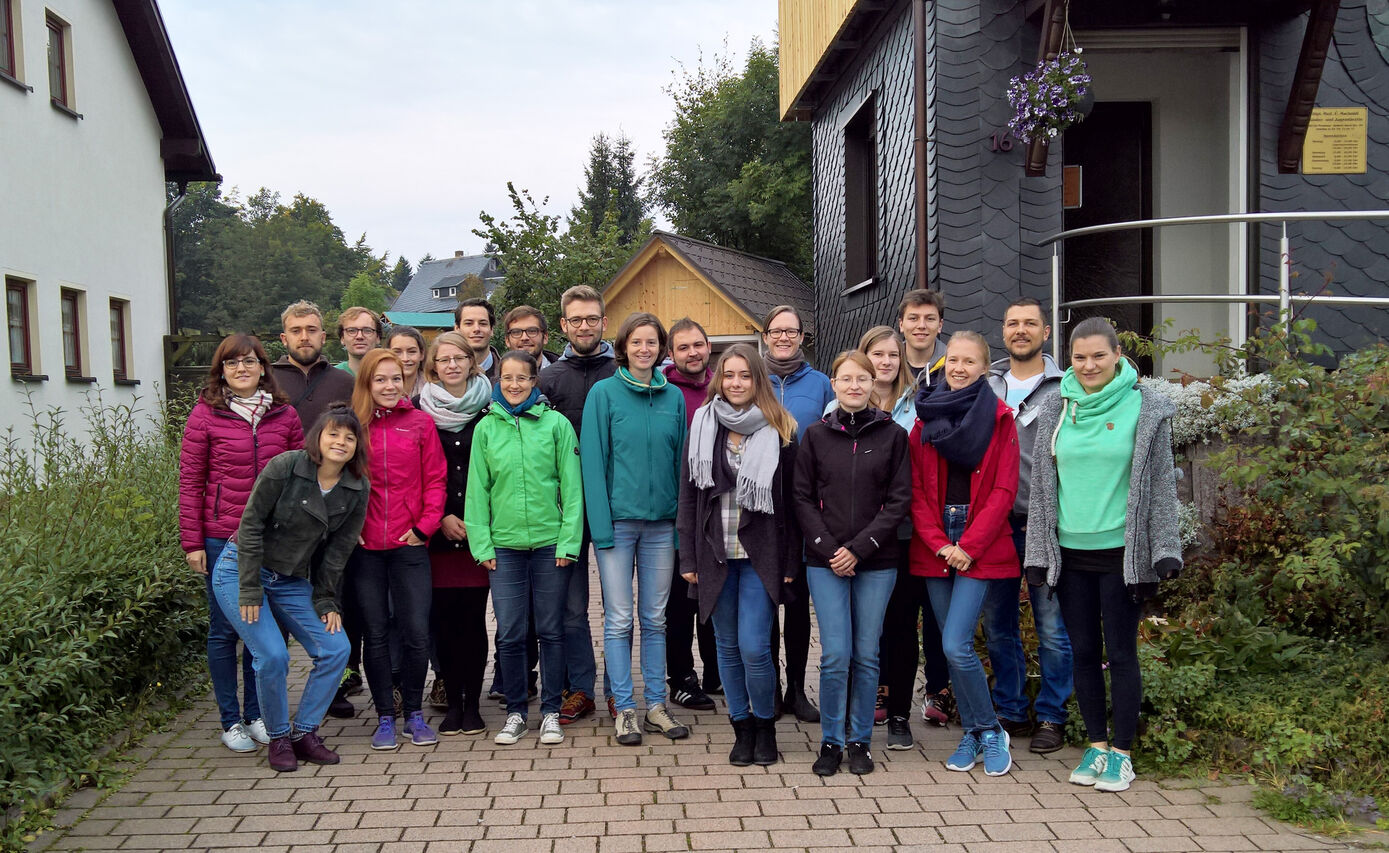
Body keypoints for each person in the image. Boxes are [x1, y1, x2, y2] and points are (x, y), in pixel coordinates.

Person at [1024, 317, 1183, 793]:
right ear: (1068, 359)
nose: (1089, 365)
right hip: (1070, 554)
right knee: (1084, 652)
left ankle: (1123, 753)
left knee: (1121, 652)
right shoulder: (1056, 407)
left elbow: (1160, 487)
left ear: (1117, 355)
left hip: (1122, 554)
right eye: (1079, 356)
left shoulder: (1147, 406)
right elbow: (1042, 488)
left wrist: (1165, 550)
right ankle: (1095, 745)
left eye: (1098, 355)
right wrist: (1037, 553)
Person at [210, 405, 368, 772]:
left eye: (349, 437)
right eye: (333, 434)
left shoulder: (356, 487)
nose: (340, 442)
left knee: (335, 648)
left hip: (291, 580)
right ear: (318, 437)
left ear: (357, 445)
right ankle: (279, 737)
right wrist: (249, 589)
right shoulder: (285, 466)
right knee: (273, 655)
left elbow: (338, 551)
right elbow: (249, 526)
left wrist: (326, 598)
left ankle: (304, 733)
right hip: (241, 570)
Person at [179, 334, 304, 753]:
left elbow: (300, 477)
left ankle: (258, 715)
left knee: (264, 631)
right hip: (221, 537)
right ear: (222, 371)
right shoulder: (204, 416)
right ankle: (231, 720)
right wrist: (192, 542)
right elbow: (191, 482)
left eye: (249, 361)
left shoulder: (284, 415)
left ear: (263, 367)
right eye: (232, 363)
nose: (242, 369)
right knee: (224, 630)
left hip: (272, 540)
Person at [677, 344, 800, 767]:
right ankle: (741, 727)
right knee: (726, 646)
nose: (736, 383)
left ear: (757, 380)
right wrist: (687, 560)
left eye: (745, 375)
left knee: (754, 646)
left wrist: (789, 563)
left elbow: (792, 504)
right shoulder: (703, 424)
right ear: (719, 379)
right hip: (715, 555)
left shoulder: (781, 428)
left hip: (761, 556)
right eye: (729, 375)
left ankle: (765, 726)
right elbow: (689, 497)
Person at [793, 350, 911, 777]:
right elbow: (802, 498)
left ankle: (860, 740)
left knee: (866, 654)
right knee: (836, 654)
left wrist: (859, 548)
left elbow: (898, 501)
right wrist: (829, 548)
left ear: (872, 383)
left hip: (877, 560)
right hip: (824, 562)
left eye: (863, 379)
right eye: (847, 379)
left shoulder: (893, 435)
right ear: (835, 385)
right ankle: (831, 740)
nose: (855, 386)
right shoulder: (815, 435)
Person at [910, 331, 1019, 777]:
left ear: (984, 368)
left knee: (957, 644)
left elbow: (1004, 489)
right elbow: (915, 489)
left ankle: (991, 730)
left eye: (968, 362)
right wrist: (939, 542)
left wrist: (968, 546)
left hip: (979, 539)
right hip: (936, 539)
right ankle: (972, 733)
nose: (958, 368)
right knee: (947, 644)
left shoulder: (999, 418)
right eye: (952, 360)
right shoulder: (924, 417)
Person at [581, 313, 690, 746]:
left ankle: (657, 706)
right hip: (618, 527)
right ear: (623, 347)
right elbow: (592, 463)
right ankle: (624, 708)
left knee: (656, 619)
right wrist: (601, 529)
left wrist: (681, 526)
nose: (644, 349)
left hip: (662, 526)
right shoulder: (603, 394)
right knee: (619, 619)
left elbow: (683, 466)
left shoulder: (675, 398)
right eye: (636, 342)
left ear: (661, 348)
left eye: (652, 342)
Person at [466, 350, 584, 747]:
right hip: (505, 548)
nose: (514, 385)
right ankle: (516, 711)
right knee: (511, 633)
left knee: (551, 630)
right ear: (497, 380)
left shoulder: (556, 425)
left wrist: (569, 541)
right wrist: (481, 544)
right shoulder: (486, 429)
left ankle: (550, 710)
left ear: (536, 381)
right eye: (507, 377)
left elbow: (571, 488)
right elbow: (477, 492)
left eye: (523, 378)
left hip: (551, 545)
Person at [984, 298, 1073, 754]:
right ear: (1004, 330)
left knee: (1053, 626)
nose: (1021, 330)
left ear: (1046, 332)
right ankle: (1012, 711)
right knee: (999, 623)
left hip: (1046, 525)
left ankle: (1053, 717)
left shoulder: (1067, 386)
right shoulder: (988, 383)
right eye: (1013, 322)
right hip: (995, 526)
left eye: (1030, 324)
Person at [859, 325, 954, 750]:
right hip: (855, 537)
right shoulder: (837, 405)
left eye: (892, 356)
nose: (884, 362)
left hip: (903, 533)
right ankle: (868, 698)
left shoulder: (917, 408)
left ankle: (899, 708)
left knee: (900, 624)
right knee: (863, 626)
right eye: (876, 355)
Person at [347, 350, 447, 751]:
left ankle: (415, 715)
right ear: (366, 384)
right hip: (366, 548)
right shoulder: (351, 426)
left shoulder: (421, 423)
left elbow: (436, 480)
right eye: (380, 380)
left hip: (409, 546)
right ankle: (385, 716)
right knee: (375, 634)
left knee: (416, 633)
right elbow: (333, 478)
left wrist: (424, 528)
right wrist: (347, 527)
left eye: (396, 379)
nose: (390, 387)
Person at [536, 284, 613, 725]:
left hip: (615, 505)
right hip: (564, 510)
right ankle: (579, 688)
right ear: (563, 325)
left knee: (623, 607)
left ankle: (621, 688)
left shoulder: (621, 371)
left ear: (604, 321)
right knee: (570, 606)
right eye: (575, 320)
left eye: (592, 318)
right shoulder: (547, 380)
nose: (584, 326)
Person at [416, 332, 493, 737]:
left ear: (471, 361)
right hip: (439, 533)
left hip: (480, 532)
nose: (451, 365)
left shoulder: (491, 409)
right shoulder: (419, 411)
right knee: (445, 622)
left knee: (475, 620)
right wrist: (441, 515)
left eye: (458, 358)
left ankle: (472, 703)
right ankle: (451, 702)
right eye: (442, 360)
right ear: (433, 366)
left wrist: (477, 521)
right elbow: (417, 473)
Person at [760, 304, 831, 723]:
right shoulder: (753, 381)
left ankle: (796, 689)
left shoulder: (821, 384)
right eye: (777, 330)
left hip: (806, 509)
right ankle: (768, 689)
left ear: (803, 337)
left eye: (792, 331)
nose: (784, 337)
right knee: (766, 601)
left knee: (797, 604)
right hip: (763, 509)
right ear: (766, 334)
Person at [661, 318, 720, 709]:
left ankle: (718, 673)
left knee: (715, 597)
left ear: (708, 345)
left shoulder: (725, 386)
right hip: (677, 511)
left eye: (697, 344)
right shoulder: (664, 392)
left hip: (717, 512)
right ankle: (681, 678)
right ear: (671, 354)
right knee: (680, 602)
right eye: (683, 347)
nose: (692, 352)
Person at [271, 300, 356, 431]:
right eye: (296, 331)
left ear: (323, 337)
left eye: (311, 330)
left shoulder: (346, 382)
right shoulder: (268, 380)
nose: (304, 337)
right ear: (284, 339)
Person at [898, 289, 948, 390]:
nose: (921, 325)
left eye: (930, 319)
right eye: (913, 318)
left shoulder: (954, 367)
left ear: (940, 325)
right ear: (901, 324)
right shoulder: (887, 366)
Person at [455, 298, 501, 381]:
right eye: (469, 323)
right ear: (457, 329)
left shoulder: (509, 376)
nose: (476, 329)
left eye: (483, 323)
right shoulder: (440, 376)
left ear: (492, 330)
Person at [502, 305, 560, 369]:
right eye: (516, 332)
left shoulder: (566, 376)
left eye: (532, 331)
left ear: (545, 337)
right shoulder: (496, 377)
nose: (524, 338)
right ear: (507, 340)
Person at [335, 307, 382, 376]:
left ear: (378, 337)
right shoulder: (331, 377)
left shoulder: (391, 375)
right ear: (342, 338)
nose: (359, 336)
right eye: (351, 331)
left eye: (367, 330)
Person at [387, 325, 429, 398]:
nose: (405, 358)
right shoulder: (377, 389)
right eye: (397, 352)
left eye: (412, 351)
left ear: (422, 354)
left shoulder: (434, 389)